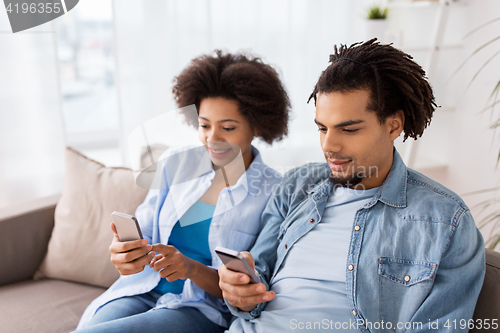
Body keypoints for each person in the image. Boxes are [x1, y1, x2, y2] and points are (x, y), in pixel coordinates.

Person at [219, 39, 486, 333]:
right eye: (322, 128)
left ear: (393, 126)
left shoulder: (445, 221)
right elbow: (257, 280)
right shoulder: (296, 185)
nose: (328, 145)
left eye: (349, 129)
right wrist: (240, 290)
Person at [75, 50, 291, 333]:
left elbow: (247, 287)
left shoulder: (275, 193)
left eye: (227, 127)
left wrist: (190, 269)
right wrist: (124, 255)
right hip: (142, 289)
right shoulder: (178, 163)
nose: (212, 138)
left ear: (257, 126)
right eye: (204, 125)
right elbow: (146, 235)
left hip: (202, 310)